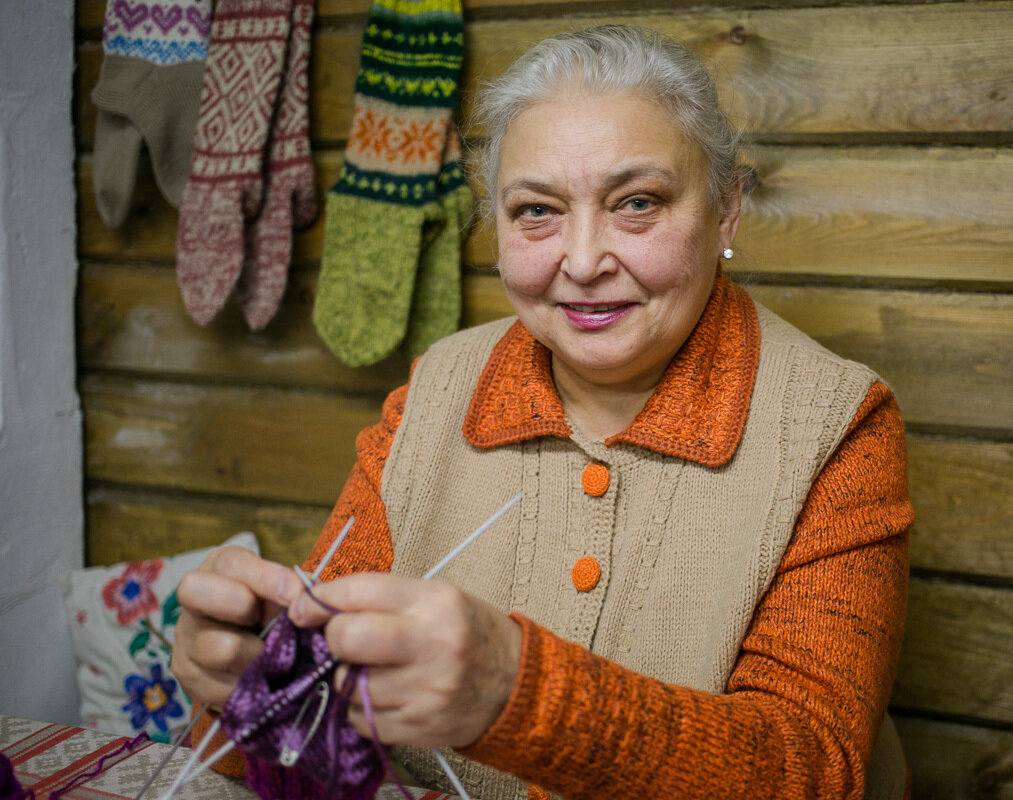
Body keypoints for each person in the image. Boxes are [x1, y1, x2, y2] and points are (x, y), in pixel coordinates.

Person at [172, 24, 914, 800]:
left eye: (637, 203)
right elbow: (295, 735)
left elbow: (810, 769)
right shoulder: (436, 392)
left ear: (726, 210)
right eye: (536, 211)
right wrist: (240, 689)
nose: (585, 261)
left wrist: (515, 691)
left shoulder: (835, 424)